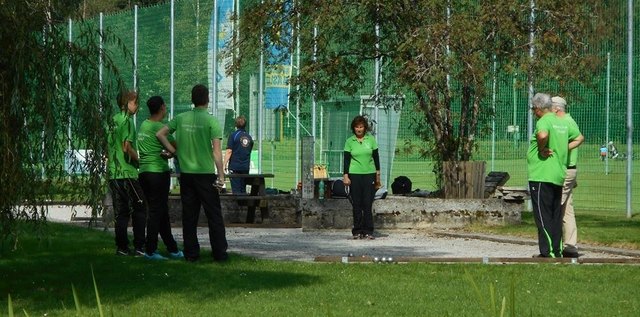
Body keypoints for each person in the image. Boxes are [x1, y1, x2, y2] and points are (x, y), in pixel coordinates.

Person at [156, 84, 228, 262]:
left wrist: (173, 151)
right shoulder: (212, 121)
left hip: (187, 174)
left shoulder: (181, 118)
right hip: (205, 174)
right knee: (214, 215)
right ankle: (219, 253)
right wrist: (221, 174)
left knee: (189, 216)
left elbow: (160, 134)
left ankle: (191, 254)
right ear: (207, 98)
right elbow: (217, 152)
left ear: (192, 99)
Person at [527, 93, 582, 258]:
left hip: (541, 174)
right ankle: (557, 249)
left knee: (543, 216)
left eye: (533, 109)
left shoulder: (544, 121)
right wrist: (563, 149)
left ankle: (548, 252)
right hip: (558, 173)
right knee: (556, 214)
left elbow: (542, 135)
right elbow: (579, 137)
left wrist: (542, 148)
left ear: (538, 109)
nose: (533, 112)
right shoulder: (562, 122)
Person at [137, 96, 184, 260]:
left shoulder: (144, 124)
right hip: (157, 172)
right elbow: (175, 147)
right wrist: (170, 153)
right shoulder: (159, 127)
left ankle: (172, 248)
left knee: (162, 211)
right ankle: (150, 250)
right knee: (157, 212)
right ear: (162, 108)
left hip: (143, 172)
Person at [107, 89, 146, 256]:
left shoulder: (113, 120)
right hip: (127, 172)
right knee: (140, 207)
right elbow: (126, 147)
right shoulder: (127, 121)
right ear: (126, 104)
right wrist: (139, 160)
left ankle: (122, 247)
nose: (137, 106)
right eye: (135, 102)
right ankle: (139, 247)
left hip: (114, 172)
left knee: (121, 211)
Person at [551, 96, 584, 258]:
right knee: (567, 209)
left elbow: (579, 138)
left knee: (556, 205)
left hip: (565, 169)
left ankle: (553, 246)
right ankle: (570, 245)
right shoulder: (568, 121)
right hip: (569, 169)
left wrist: (561, 149)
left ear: (556, 109)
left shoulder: (565, 122)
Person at [343, 115, 381, 240]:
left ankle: (368, 230)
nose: (359, 129)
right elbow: (346, 160)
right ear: (353, 128)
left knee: (367, 203)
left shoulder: (371, 140)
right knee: (357, 203)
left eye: (361, 127)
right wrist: (346, 176)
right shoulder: (349, 142)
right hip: (354, 174)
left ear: (365, 128)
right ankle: (357, 230)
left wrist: (377, 175)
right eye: (356, 127)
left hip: (369, 174)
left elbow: (376, 158)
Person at [223, 115, 254, 194]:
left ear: (236, 125)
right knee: (243, 189)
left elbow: (229, 151)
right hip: (245, 167)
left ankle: (238, 206)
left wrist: (224, 165)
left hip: (235, 167)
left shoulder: (233, 135)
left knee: (236, 191)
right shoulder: (249, 137)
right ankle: (244, 205)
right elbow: (249, 150)